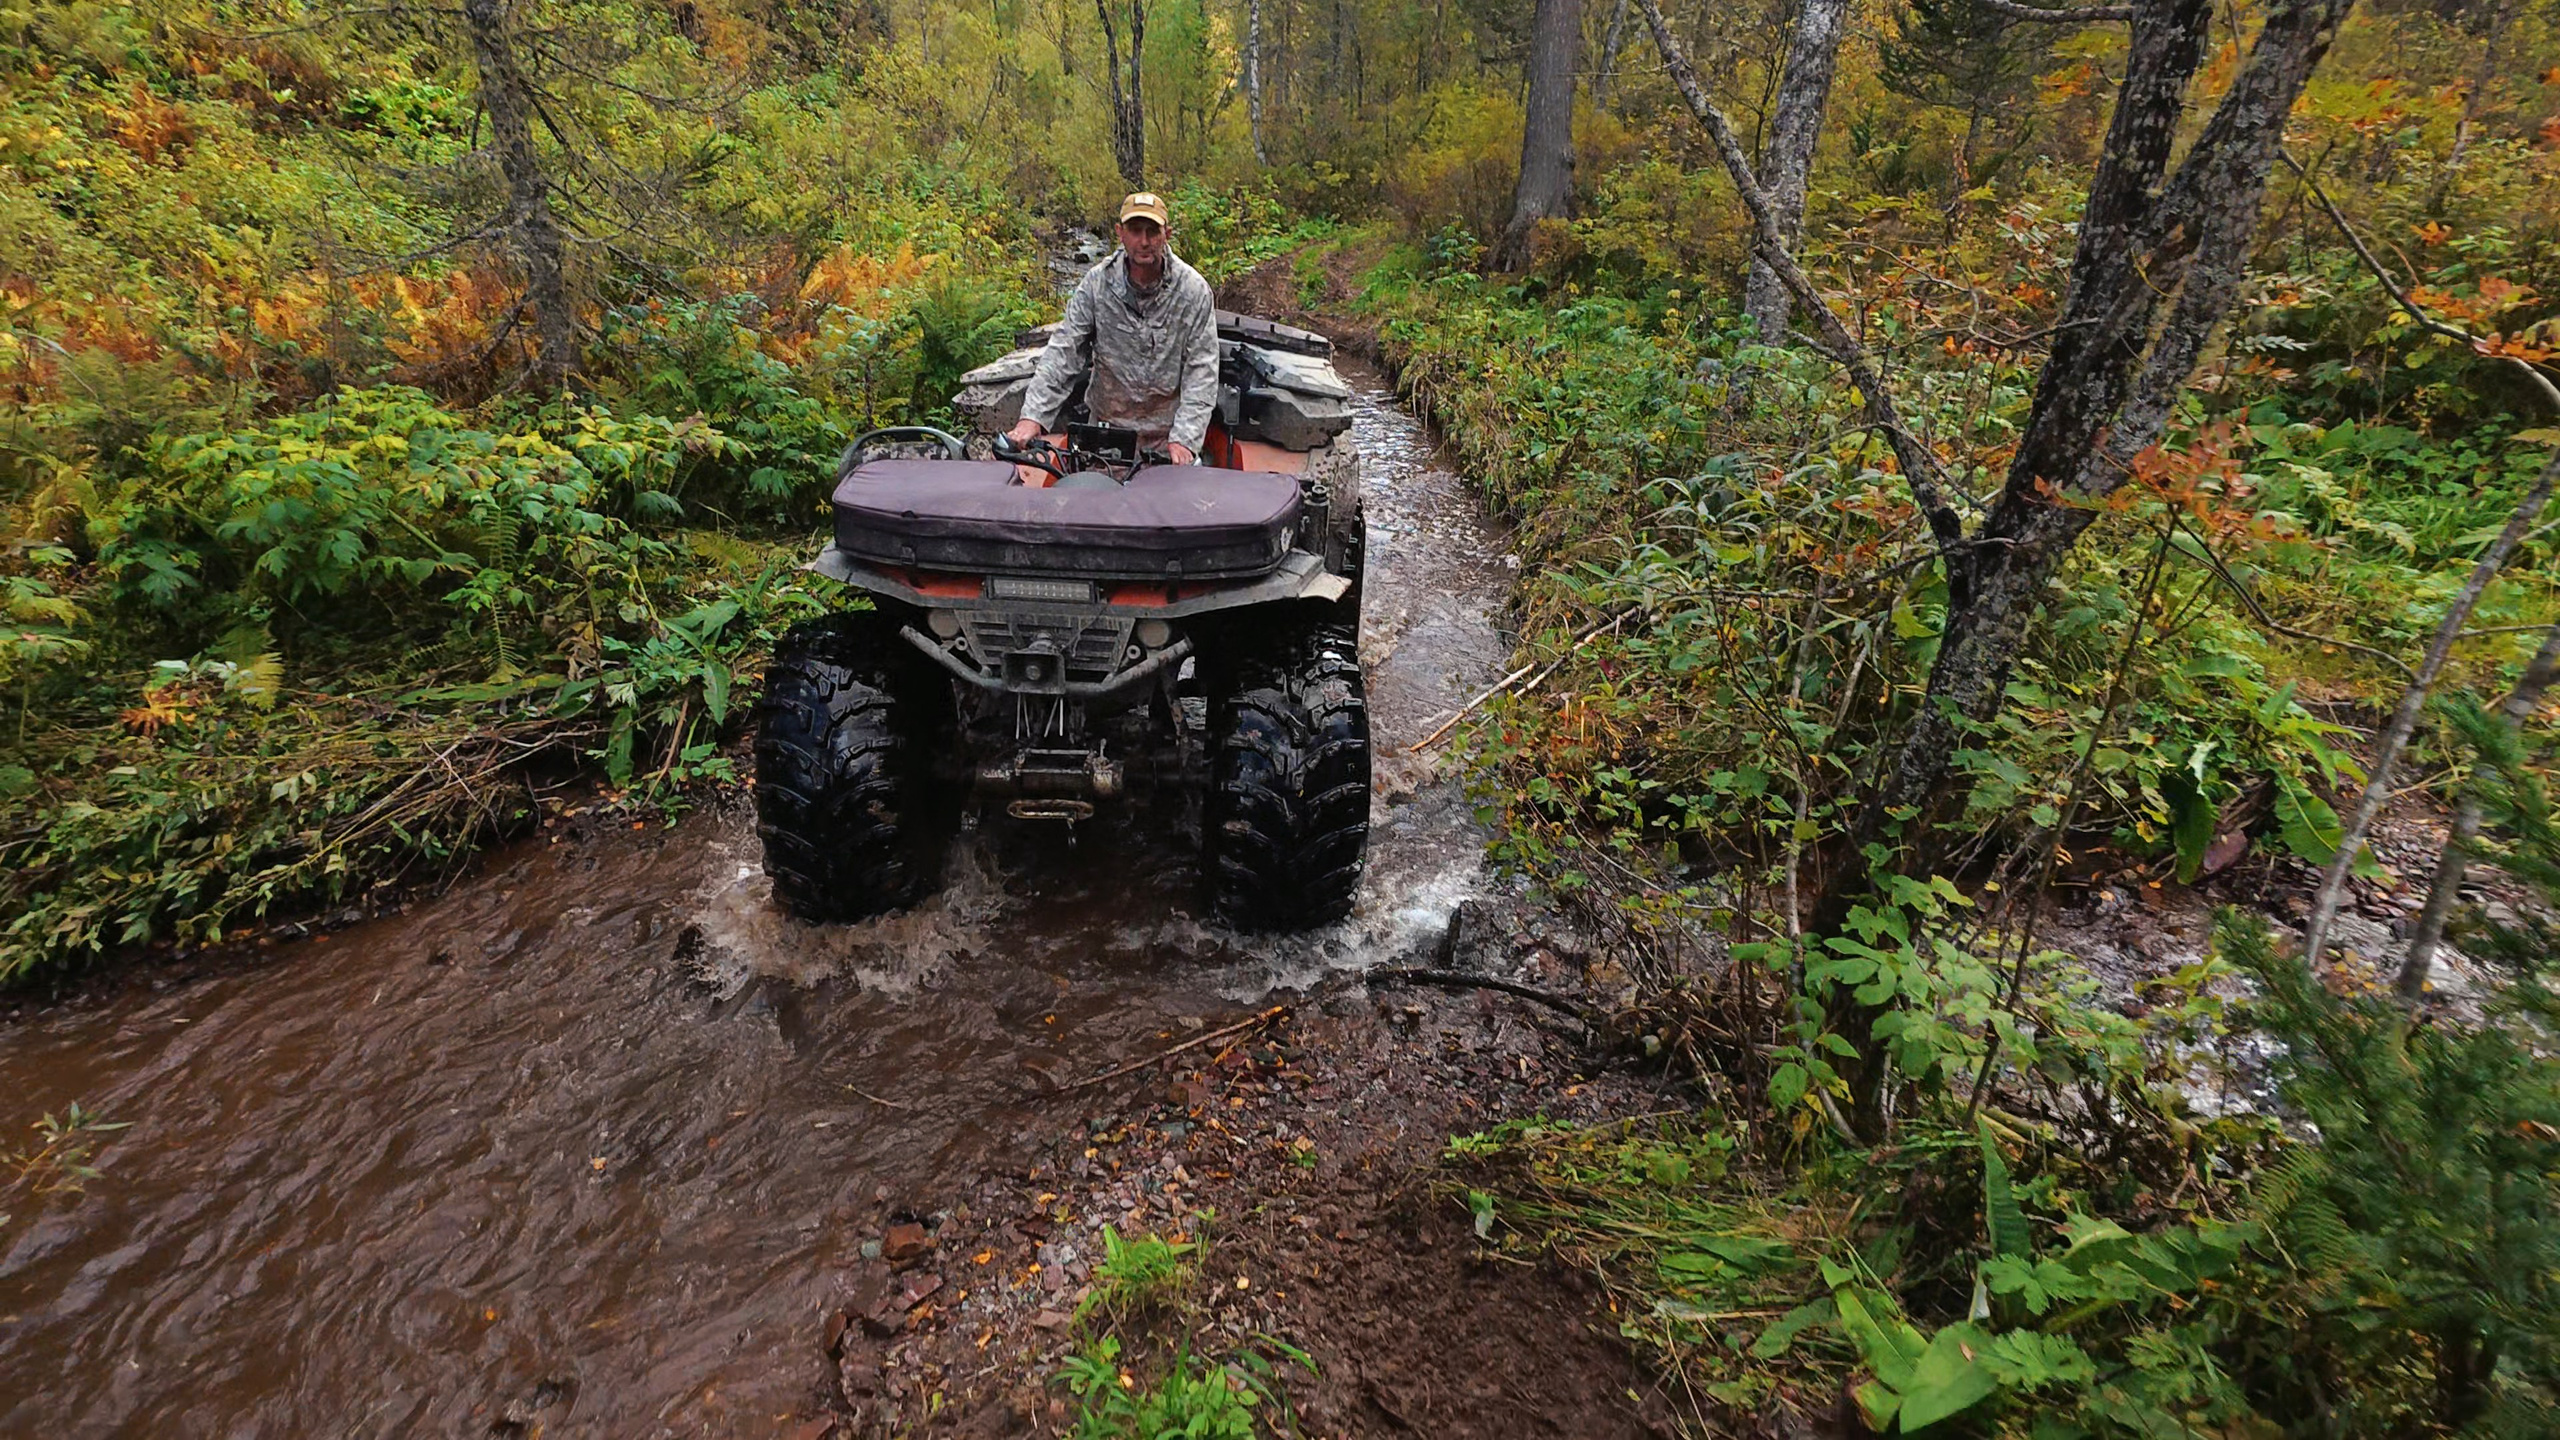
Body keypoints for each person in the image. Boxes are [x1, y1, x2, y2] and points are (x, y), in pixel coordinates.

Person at [1008, 192, 1220, 468]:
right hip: (1106, 438)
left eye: (1152, 231)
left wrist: (1185, 439)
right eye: (1135, 230)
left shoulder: (1193, 291)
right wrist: (1032, 417)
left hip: (1167, 442)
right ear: (1120, 233)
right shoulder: (1097, 285)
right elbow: (1065, 351)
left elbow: (1202, 370)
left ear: (1167, 233)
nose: (1144, 241)